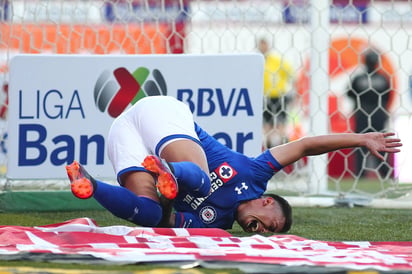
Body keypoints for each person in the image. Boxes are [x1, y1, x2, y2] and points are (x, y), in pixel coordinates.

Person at [66, 96, 402, 233]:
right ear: (267, 202)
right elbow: (305, 146)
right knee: (198, 179)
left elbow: (167, 220)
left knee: (151, 215)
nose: (264, 232)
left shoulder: (217, 224)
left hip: (122, 136)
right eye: (272, 226)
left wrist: (165, 203)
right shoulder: (256, 175)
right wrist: (360, 139)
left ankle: (89, 183)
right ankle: (169, 173)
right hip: (160, 117)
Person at [347, 48, 392, 178]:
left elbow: (350, 93)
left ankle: (360, 174)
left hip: (362, 113)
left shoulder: (358, 78)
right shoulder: (383, 78)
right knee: (381, 144)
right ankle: (385, 173)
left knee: (359, 144)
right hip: (379, 114)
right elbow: (387, 96)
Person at [258, 38, 295, 148]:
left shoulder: (277, 60)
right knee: (267, 125)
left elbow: (291, 75)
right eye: (261, 45)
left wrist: (294, 93)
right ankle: (269, 148)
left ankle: (285, 146)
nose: (263, 47)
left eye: (265, 44)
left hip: (279, 96)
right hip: (264, 97)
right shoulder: (257, 61)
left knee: (281, 124)